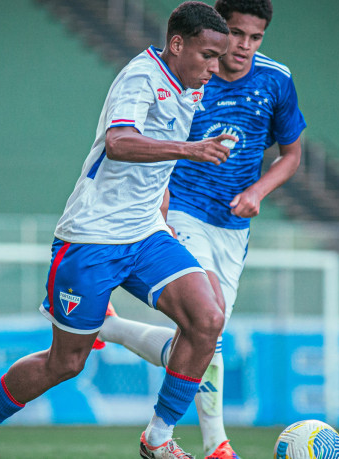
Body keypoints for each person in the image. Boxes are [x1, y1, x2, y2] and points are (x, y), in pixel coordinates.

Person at [0, 3, 234, 459]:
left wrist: (162, 206)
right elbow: (118, 143)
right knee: (66, 363)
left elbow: (155, 165)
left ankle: (158, 438)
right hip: (91, 240)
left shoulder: (189, 86)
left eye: (220, 57)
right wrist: (191, 149)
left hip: (145, 235)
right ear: (177, 44)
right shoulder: (142, 77)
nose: (214, 68)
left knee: (208, 319)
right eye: (208, 55)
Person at [97, 1, 306, 458]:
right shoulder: (190, 76)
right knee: (208, 317)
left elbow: (291, 155)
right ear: (216, 30)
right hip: (183, 211)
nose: (243, 47)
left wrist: (258, 193)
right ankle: (215, 443)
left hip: (233, 226)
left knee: (205, 337)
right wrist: (162, 200)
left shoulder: (276, 80)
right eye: (235, 34)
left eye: (255, 38)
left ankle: (112, 331)